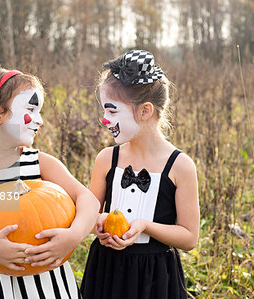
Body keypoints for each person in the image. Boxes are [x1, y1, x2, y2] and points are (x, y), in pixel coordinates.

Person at [0, 68, 100, 299]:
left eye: (40, 111)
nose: (40, 120)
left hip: (44, 282)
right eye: (31, 110)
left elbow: (88, 200)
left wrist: (73, 235)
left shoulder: (41, 164)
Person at [80, 50, 200, 299]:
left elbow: (189, 237)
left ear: (145, 111)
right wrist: (99, 224)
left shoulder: (180, 166)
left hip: (154, 277)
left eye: (112, 112)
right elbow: (88, 216)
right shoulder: (106, 159)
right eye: (104, 111)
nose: (104, 120)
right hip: (107, 271)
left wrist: (145, 226)